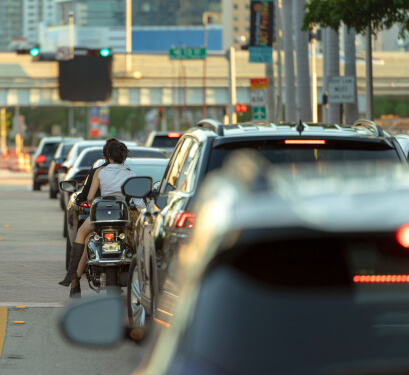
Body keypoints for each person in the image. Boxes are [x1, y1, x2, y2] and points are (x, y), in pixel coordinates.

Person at [59, 140, 137, 297]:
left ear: (107, 156)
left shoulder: (99, 172)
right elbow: (134, 198)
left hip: (101, 216)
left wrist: (95, 203)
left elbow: (88, 197)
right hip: (122, 217)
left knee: (83, 234)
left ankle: (73, 275)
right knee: (137, 238)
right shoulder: (130, 173)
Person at [74, 137, 118, 204]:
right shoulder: (128, 173)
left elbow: (88, 196)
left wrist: (78, 199)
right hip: (121, 212)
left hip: (100, 210)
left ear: (104, 156)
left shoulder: (97, 172)